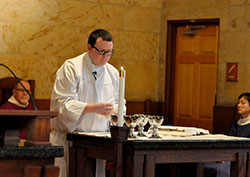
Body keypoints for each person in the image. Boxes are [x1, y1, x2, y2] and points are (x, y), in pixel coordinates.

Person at [50, 29, 125, 177]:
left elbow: (119, 103)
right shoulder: (71, 68)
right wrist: (93, 108)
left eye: (109, 52)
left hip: (97, 142)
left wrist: (116, 111)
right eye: (101, 51)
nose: (105, 57)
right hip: (69, 139)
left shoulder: (113, 73)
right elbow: (62, 104)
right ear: (89, 47)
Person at [205, 92, 250, 177]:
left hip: (242, 161)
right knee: (204, 165)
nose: (239, 105)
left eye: (243, 103)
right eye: (238, 103)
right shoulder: (233, 124)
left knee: (221, 169)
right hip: (227, 157)